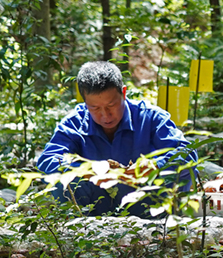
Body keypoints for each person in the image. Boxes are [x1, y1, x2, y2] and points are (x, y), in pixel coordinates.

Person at [36, 61, 197, 217]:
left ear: (124, 93)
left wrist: (154, 166)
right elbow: (48, 160)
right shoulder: (75, 122)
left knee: (183, 170)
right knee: (60, 180)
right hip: (93, 209)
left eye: (111, 105)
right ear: (85, 102)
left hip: (147, 203)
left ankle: (166, 226)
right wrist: (88, 169)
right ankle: (76, 231)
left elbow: (187, 153)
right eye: (95, 108)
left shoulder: (151, 117)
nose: (105, 115)